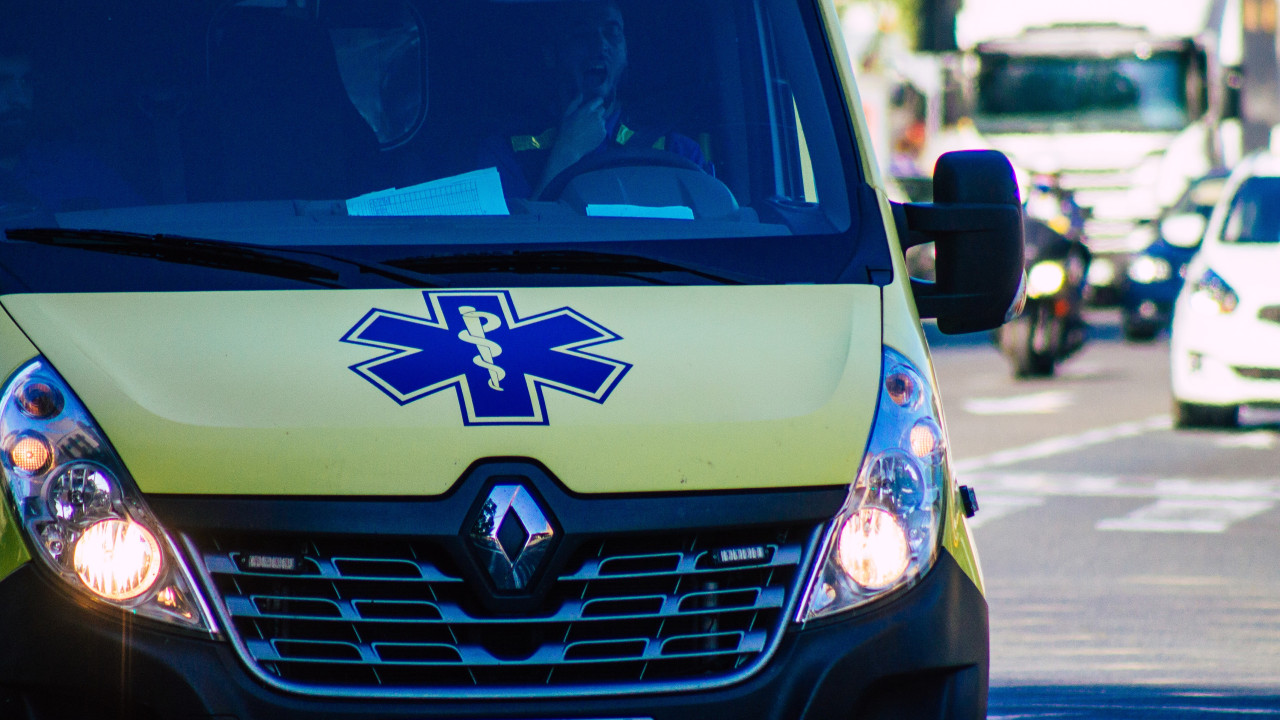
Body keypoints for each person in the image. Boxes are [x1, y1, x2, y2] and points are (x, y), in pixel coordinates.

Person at [478, 0, 712, 200]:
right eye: (581, 35)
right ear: (552, 54)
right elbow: (517, 248)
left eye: (612, 33)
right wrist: (566, 153)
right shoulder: (508, 152)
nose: (600, 46)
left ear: (626, 52)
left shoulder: (676, 153)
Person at [0, 46, 141, 214]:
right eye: (2, 82)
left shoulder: (81, 169)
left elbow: (145, 229)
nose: (20, 98)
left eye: (26, 82)